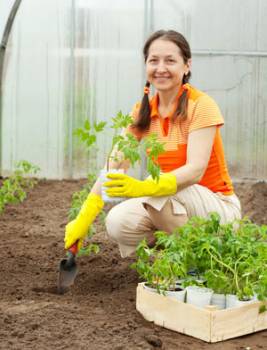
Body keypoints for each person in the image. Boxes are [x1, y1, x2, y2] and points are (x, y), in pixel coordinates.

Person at [64, 29, 241, 257]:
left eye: (170, 61)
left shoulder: (201, 106)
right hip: (173, 199)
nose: (161, 68)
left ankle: (199, 259)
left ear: (187, 66)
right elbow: (114, 166)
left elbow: (195, 171)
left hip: (218, 207)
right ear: (146, 65)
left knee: (155, 191)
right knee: (119, 221)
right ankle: (172, 252)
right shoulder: (142, 113)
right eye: (153, 60)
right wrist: (83, 218)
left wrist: (144, 187)